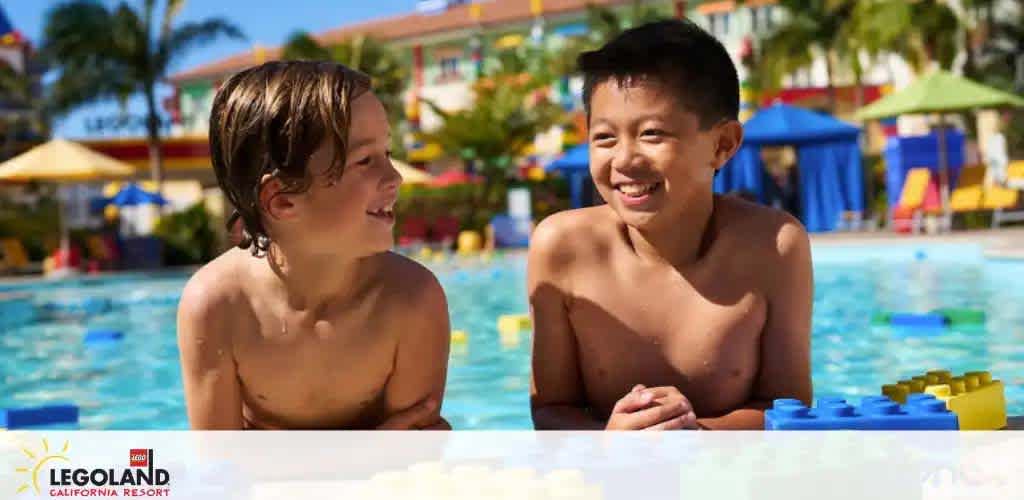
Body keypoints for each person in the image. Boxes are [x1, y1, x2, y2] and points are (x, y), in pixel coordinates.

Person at [528, 20, 813, 430]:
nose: (624, 159)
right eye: (605, 138)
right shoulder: (561, 248)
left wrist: (694, 435)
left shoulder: (774, 247)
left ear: (723, 144)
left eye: (652, 134)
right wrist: (610, 442)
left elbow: (788, 408)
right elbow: (550, 409)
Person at [177, 61, 450, 430]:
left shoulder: (412, 299)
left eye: (387, 154)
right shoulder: (218, 305)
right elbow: (220, 471)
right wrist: (366, 452)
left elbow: (408, 466)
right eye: (365, 160)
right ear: (283, 200)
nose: (395, 177)